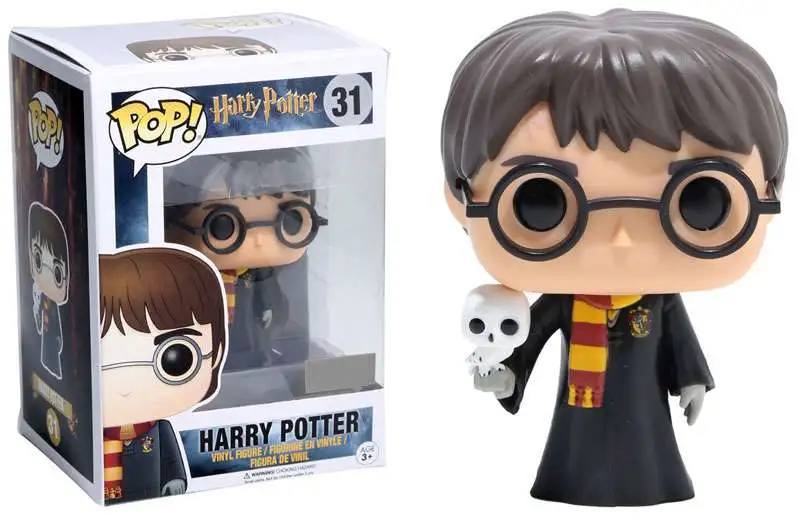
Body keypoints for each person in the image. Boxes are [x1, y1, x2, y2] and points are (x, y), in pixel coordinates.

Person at [441, 9, 786, 506]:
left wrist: (692, 382)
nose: (622, 240)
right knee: (576, 452)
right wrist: (504, 374)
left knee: (648, 448)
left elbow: (680, 342)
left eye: (700, 201)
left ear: (770, 194)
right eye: (542, 202)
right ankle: (571, 484)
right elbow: (526, 339)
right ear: (459, 199)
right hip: (578, 416)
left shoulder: (659, 301)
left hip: (646, 414)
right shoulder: (565, 301)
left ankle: (653, 485)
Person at [165, 147, 327, 371]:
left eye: (291, 221)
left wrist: (273, 309)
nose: (259, 239)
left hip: (251, 339)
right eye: (223, 226)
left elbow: (272, 298)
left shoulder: (259, 273)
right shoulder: (192, 279)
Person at [99, 246, 227, 504]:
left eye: (175, 359)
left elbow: (170, 457)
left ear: (216, 354)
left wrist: (175, 478)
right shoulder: (90, 429)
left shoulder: (157, 427)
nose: (127, 387)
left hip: (151, 494)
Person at [29, 202, 69, 380]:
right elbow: (38, 319)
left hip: (52, 338)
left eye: (57, 273)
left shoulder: (53, 303)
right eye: (38, 259)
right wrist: (36, 308)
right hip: (46, 338)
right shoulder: (40, 295)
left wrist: (59, 339)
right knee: (47, 356)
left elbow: (57, 322)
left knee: (52, 359)